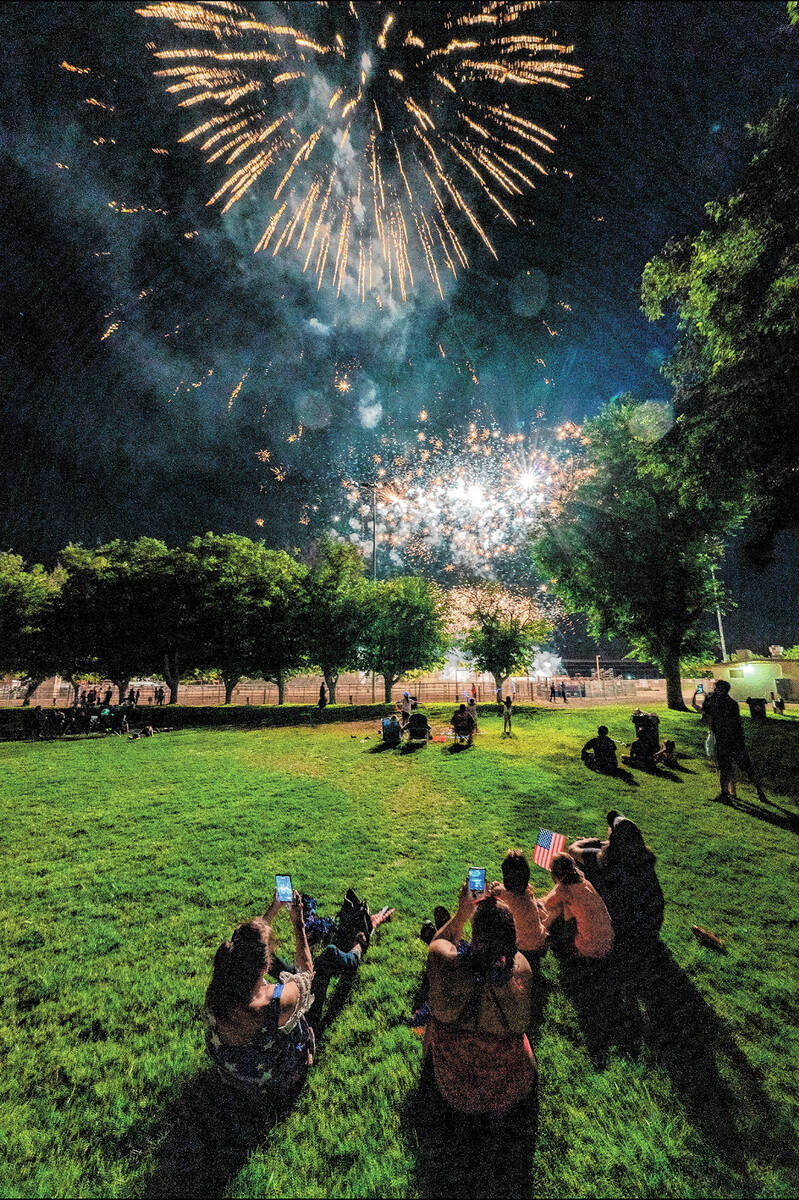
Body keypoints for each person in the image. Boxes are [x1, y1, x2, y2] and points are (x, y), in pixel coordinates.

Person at [205, 890, 392, 1108]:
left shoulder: (220, 985)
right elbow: (307, 975)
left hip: (234, 1069)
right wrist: (298, 924)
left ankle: (356, 945)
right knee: (330, 954)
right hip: (274, 1078)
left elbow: (247, 947)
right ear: (264, 967)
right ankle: (359, 948)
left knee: (287, 964)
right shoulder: (275, 1001)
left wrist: (274, 908)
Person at [423, 887, 536, 1116]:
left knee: (432, 1021)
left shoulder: (443, 960)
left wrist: (464, 910)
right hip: (512, 1092)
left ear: (475, 934)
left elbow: (438, 943)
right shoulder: (522, 970)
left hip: (454, 1092)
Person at [569, 812, 664, 954]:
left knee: (579, 864)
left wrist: (585, 842)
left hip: (624, 934)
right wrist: (600, 843)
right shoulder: (643, 857)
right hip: (651, 928)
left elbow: (572, 850)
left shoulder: (603, 858)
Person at [703, 679, 768, 803]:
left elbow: (710, 711)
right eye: (716, 688)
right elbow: (707, 711)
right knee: (725, 768)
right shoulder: (726, 702)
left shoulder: (727, 704)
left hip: (732, 740)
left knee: (744, 767)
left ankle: (759, 791)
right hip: (726, 740)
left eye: (718, 688)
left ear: (724, 690)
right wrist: (708, 699)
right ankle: (725, 793)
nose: (716, 690)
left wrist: (708, 699)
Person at [540, 854, 614, 962]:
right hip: (608, 942)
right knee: (570, 905)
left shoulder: (564, 890)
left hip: (590, 949)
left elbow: (546, 904)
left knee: (561, 906)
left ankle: (561, 944)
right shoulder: (584, 882)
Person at [490, 849, 547, 970]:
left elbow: (489, 898)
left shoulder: (503, 895)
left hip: (523, 950)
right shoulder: (528, 890)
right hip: (539, 944)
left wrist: (493, 888)